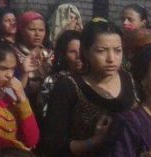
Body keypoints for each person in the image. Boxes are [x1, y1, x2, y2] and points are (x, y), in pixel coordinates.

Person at [40, 19, 136, 156]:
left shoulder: (128, 79)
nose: (111, 58)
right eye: (101, 51)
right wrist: (95, 141)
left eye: (117, 50)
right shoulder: (68, 86)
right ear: (85, 51)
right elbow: (52, 145)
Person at [36, 29, 82, 116]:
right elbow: (43, 113)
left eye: (81, 50)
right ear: (63, 54)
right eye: (72, 52)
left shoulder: (92, 78)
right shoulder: (52, 81)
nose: (78, 56)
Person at [14, 10, 52, 110]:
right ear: (21, 30)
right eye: (32, 29)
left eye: (41, 30)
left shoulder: (49, 54)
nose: (37, 34)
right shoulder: (12, 54)